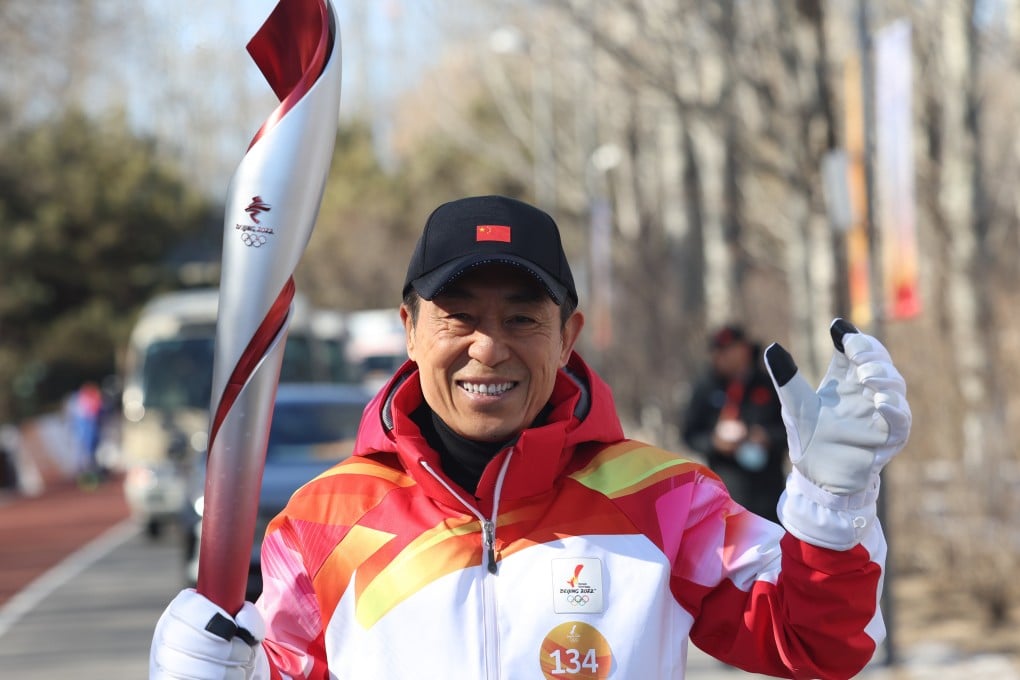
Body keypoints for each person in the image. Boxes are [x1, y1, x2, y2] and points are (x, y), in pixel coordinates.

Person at [150, 194, 911, 679]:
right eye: (458, 316)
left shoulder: (664, 503)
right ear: (409, 330)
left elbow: (817, 645)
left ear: (566, 335)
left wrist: (832, 507)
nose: (489, 346)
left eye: (522, 318)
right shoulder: (325, 522)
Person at [681, 325, 787, 523]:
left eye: (729, 351)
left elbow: (791, 431)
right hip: (727, 490)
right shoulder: (706, 388)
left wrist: (766, 437)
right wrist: (715, 443)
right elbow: (690, 434)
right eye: (719, 353)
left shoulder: (768, 384)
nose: (723, 358)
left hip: (768, 492)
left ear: (744, 350)